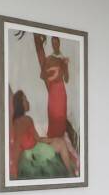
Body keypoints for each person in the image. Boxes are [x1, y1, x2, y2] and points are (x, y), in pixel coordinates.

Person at [34, 32, 80, 174]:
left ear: (59, 43)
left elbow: (66, 79)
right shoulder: (49, 59)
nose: (55, 44)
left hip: (61, 92)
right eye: (53, 42)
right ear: (52, 44)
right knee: (53, 117)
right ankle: (56, 148)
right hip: (53, 92)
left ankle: (62, 149)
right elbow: (42, 75)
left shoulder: (62, 59)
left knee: (60, 118)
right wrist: (52, 74)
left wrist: (65, 66)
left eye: (56, 42)